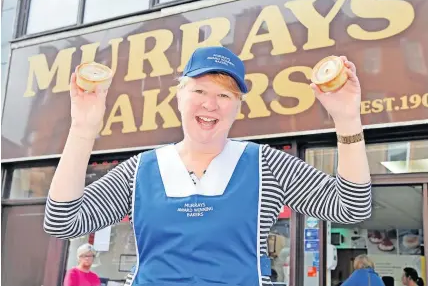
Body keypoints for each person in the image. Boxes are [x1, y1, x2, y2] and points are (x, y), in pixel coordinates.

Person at [44, 46, 372, 286]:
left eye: (225, 96)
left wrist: (347, 119)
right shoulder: (140, 169)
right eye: (199, 90)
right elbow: (62, 223)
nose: (210, 104)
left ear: (238, 107)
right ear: (179, 96)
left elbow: (351, 208)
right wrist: (83, 129)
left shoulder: (266, 164)